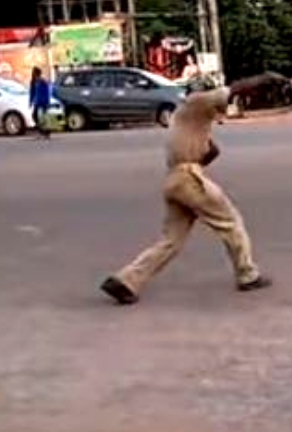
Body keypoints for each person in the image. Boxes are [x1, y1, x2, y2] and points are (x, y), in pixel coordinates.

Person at [100, 83, 271, 305]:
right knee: (231, 222)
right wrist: (264, 79)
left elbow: (209, 153)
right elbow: (233, 90)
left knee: (170, 240)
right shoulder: (197, 103)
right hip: (189, 177)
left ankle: (126, 280)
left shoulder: (188, 120)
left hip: (175, 180)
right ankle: (247, 275)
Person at [28, 66, 53, 140]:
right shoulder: (33, 81)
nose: (34, 75)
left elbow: (47, 91)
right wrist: (30, 102)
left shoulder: (43, 81)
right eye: (34, 73)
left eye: (35, 73)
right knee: (34, 116)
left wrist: (48, 101)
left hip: (44, 101)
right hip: (37, 102)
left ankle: (46, 133)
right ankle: (42, 131)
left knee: (44, 117)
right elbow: (32, 92)